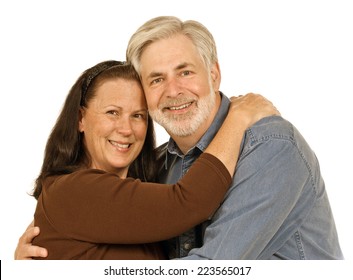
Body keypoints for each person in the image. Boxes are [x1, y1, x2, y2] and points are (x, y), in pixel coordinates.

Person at [16, 16, 343, 260]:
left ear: (214, 74)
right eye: (156, 79)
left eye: (185, 72)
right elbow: (181, 207)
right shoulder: (159, 166)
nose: (173, 91)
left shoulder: (270, 147)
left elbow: (211, 269)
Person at [15, 60, 278, 259]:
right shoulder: (72, 191)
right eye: (112, 112)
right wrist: (239, 118)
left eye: (138, 116)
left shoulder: (141, 199)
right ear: (80, 119)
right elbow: (187, 203)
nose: (126, 129)